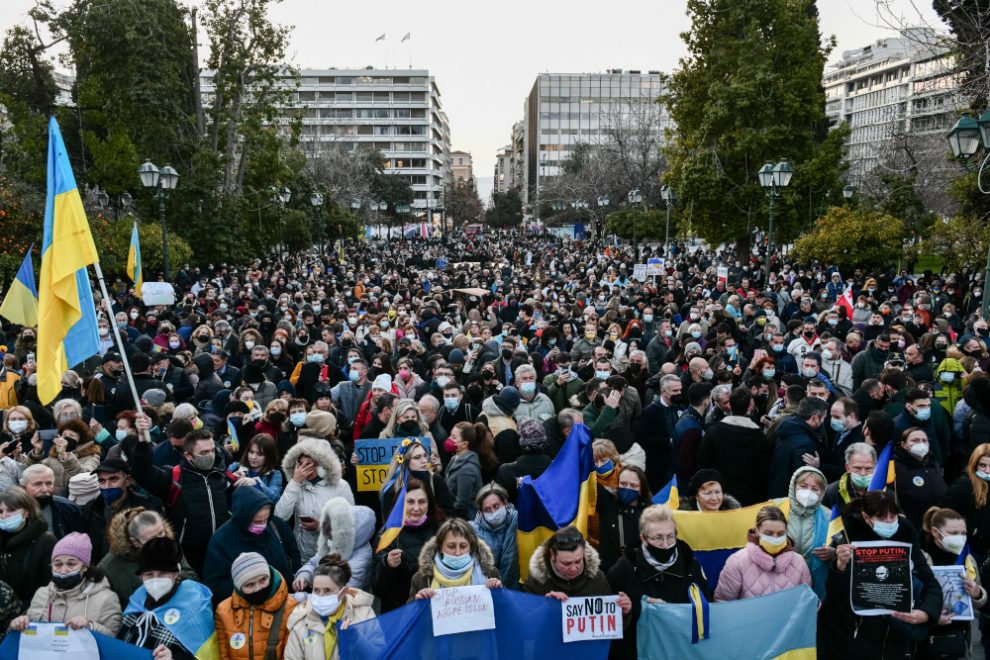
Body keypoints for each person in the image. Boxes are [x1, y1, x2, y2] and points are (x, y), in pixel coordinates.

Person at [822, 491, 943, 659]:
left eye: (892, 517)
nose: (888, 522)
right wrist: (840, 565)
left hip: (896, 634)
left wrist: (927, 613)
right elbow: (834, 592)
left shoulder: (905, 530)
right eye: (881, 518)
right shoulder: (849, 532)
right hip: (854, 635)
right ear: (866, 516)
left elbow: (929, 581)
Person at [607, 504, 711, 659]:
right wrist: (641, 606)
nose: (665, 544)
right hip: (639, 650)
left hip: (681, 649)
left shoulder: (691, 566)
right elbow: (611, 612)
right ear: (643, 538)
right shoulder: (624, 568)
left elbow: (707, 604)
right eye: (657, 538)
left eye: (670, 536)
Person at [118, 537, 216, 660]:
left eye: (162, 573)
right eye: (149, 574)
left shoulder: (193, 609)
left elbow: (208, 657)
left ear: (176, 574)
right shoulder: (137, 602)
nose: (155, 580)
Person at [202, 485, 301, 606]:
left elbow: (293, 553)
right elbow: (215, 585)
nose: (263, 525)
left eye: (266, 519)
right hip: (247, 610)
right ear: (243, 517)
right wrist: (249, 586)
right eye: (258, 521)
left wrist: (297, 578)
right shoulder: (221, 541)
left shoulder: (276, 525)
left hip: (286, 601)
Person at [8, 532, 121, 636]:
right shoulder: (42, 594)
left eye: (71, 564)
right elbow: (27, 634)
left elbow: (114, 640)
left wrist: (90, 626)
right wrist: (18, 624)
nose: (63, 570)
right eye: (58, 564)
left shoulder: (107, 599)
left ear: (85, 567)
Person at [918, 507, 988, 658]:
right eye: (954, 533)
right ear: (936, 532)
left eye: (963, 533)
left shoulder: (967, 558)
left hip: (956, 639)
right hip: (922, 640)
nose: (960, 538)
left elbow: (980, 602)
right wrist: (931, 618)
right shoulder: (918, 557)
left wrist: (977, 593)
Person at [98, 508, 199, 608]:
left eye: (161, 533)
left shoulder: (170, 547)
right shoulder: (108, 568)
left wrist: (173, 578)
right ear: (135, 542)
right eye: (152, 539)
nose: (160, 541)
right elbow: (105, 609)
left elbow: (194, 580)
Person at [284, 554, 376, 660]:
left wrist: (357, 640)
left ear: (343, 591)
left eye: (328, 590)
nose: (321, 596)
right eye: (316, 590)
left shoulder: (364, 615)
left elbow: (380, 654)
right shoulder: (301, 620)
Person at [275, 438, 354, 560]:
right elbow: (280, 516)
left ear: (323, 464)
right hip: (301, 557)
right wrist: (295, 482)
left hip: (331, 559)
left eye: (310, 464)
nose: (304, 469)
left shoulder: (341, 486)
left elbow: (349, 525)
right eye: (301, 464)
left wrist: (320, 527)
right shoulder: (296, 484)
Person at [714, 505, 811, 601]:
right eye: (769, 533)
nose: (775, 538)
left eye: (780, 533)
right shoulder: (737, 561)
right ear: (757, 531)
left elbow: (807, 601)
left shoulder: (799, 562)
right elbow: (723, 603)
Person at [372, 478, 440, 613]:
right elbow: (378, 588)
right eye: (410, 502)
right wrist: (387, 565)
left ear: (429, 504)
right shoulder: (387, 534)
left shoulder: (440, 530)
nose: (416, 508)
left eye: (421, 502)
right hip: (401, 612)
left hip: (436, 609)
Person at [213, 552, 296, 660]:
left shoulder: (290, 608)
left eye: (263, 580)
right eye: (250, 585)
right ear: (239, 587)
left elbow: (290, 655)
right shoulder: (223, 611)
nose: (258, 588)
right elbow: (224, 655)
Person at [696, 387, 770, 506]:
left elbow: (702, 464)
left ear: (730, 404)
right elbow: (763, 473)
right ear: (749, 407)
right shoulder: (760, 437)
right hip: (748, 499)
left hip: (718, 497)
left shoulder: (714, 432)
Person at [522, 526, 626, 610]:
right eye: (566, 563)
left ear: (584, 552)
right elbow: (526, 622)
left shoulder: (598, 579)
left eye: (578, 561)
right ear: (552, 555)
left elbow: (610, 625)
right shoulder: (535, 583)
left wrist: (623, 612)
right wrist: (546, 606)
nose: (573, 568)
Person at [292, 497, 377, 592]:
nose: (331, 541)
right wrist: (304, 576)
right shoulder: (336, 544)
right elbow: (314, 563)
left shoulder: (360, 561)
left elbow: (340, 594)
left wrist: (303, 598)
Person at [410, 518, 502, 599]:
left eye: (463, 546)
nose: (457, 552)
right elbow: (409, 616)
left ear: (471, 547)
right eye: (451, 546)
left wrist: (499, 592)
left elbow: (506, 610)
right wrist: (419, 604)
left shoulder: (490, 573)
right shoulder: (422, 579)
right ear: (440, 548)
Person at [0, 486, 56, 604]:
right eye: (0, 511)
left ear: (27, 513)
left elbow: (49, 586)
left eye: (11, 510)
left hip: (32, 609)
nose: (4, 516)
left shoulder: (45, 542)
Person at [593, 465, 652, 573]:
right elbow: (589, 480)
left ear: (641, 488)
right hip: (606, 572)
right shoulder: (607, 502)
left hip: (637, 574)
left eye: (633, 485)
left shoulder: (650, 513)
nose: (628, 488)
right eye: (623, 484)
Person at [784, 466, 831, 599]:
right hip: (779, 579)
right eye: (803, 486)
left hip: (812, 582)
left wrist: (833, 553)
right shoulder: (776, 508)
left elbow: (839, 546)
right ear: (794, 487)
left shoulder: (829, 516)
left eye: (814, 489)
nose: (808, 492)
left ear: (821, 493)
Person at [768, 397, 829, 497]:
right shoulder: (804, 444)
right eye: (823, 418)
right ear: (815, 417)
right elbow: (802, 480)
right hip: (789, 498)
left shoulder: (788, 428)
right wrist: (817, 467)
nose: (823, 422)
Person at [892, 426, 947, 528]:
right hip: (913, 525)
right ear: (904, 445)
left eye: (924, 440)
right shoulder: (894, 466)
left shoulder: (933, 463)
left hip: (938, 524)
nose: (921, 443)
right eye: (915, 440)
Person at [944, 443, 990, 563]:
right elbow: (945, 511)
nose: (987, 470)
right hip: (973, 549)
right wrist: (971, 530)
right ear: (974, 465)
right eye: (982, 465)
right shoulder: (964, 484)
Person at [470, 483, 520, 590]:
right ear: (481, 512)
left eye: (496, 506)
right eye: (487, 510)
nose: (493, 512)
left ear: (505, 503)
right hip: (490, 589)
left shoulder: (520, 522)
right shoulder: (473, 533)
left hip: (520, 588)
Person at [444, 422, 486, 518]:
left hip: (464, 520)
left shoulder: (467, 469)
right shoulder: (454, 458)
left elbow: (461, 504)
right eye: (450, 435)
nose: (449, 439)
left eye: (454, 437)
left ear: (464, 444)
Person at [229, 433, 285, 503]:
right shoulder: (236, 466)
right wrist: (230, 479)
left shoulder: (274, 474)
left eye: (259, 454)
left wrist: (257, 484)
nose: (253, 457)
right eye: (251, 452)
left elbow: (275, 498)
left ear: (268, 456)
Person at [822, 442, 877, 510]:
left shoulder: (883, 491)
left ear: (875, 468)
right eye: (857, 468)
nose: (863, 473)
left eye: (868, 468)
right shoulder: (832, 492)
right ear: (848, 468)